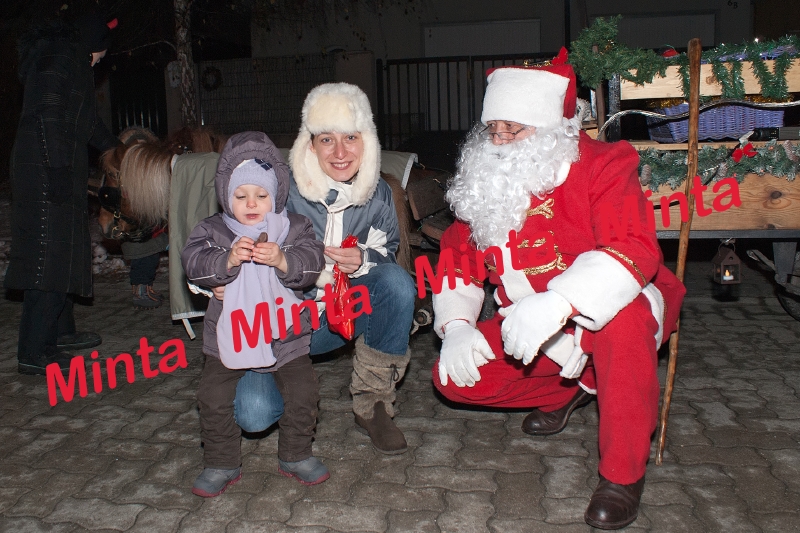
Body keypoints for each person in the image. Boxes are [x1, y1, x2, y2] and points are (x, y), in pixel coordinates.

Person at [431, 49, 686, 530]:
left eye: (513, 129)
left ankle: (622, 475)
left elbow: (632, 246)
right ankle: (580, 385)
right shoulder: (487, 179)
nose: (499, 142)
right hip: (528, 320)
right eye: (493, 129)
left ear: (549, 127)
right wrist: (458, 325)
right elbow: (457, 256)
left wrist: (560, 302)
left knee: (623, 324)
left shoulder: (604, 164)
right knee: (454, 379)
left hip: (608, 307)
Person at [222, 83, 416, 455]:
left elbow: (387, 252)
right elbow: (225, 242)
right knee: (254, 414)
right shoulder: (276, 192)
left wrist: (363, 259)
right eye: (327, 139)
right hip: (279, 327)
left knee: (396, 283)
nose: (340, 153)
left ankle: (373, 404)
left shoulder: (378, 194)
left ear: (366, 140)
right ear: (310, 144)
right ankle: (279, 377)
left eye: (350, 138)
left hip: (339, 319)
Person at [182, 131, 327, 497]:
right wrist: (225, 261)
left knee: (303, 391)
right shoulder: (213, 229)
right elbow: (193, 261)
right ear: (225, 195)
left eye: (261, 195)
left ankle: (296, 454)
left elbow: (312, 262)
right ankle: (221, 462)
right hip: (229, 335)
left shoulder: (294, 227)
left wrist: (283, 259)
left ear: (275, 195)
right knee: (212, 396)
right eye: (240, 195)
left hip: (286, 334)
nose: (251, 203)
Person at [6, 11, 120, 375]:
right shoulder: (59, 59)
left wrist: (118, 150)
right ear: (93, 44)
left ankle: (59, 332)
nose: (99, 62)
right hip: (45, 170)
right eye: (100, 55)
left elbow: (85, 122)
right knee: (47, 257)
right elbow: (49, 117)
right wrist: (55, 169)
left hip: (53, 168)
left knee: (65, 251)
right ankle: (33, 351)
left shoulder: (68, 60)